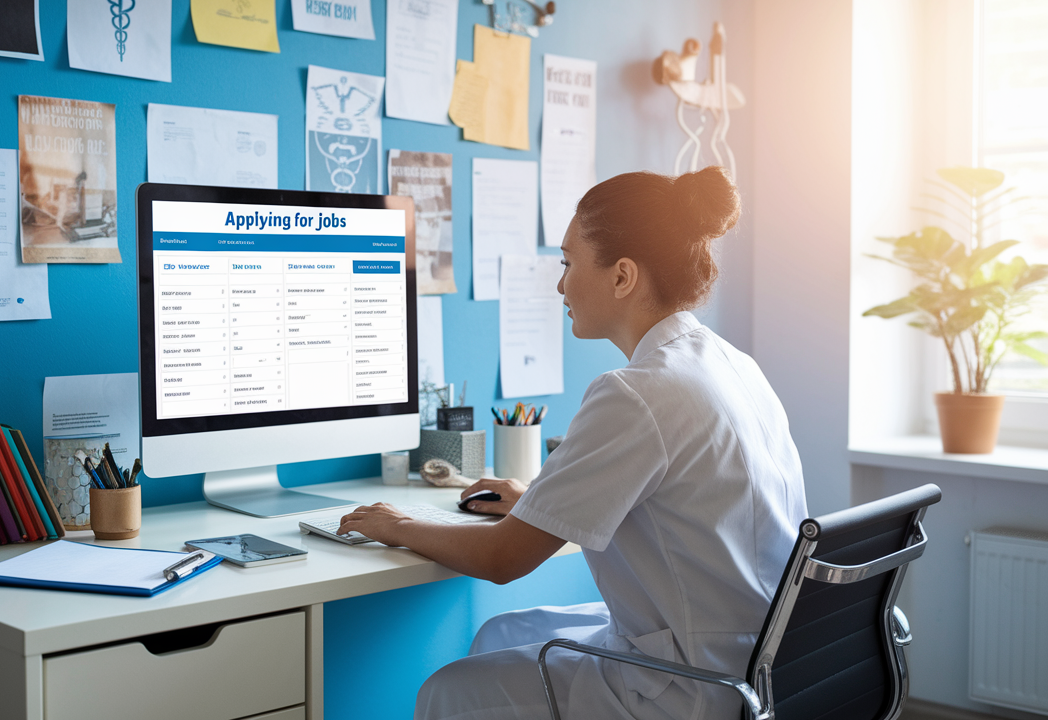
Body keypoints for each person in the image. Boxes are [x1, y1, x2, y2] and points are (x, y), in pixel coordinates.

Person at [336, 167, 808, 720]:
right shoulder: (729, 364)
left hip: (694, 686)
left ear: (623, 276)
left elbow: (502, 558)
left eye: (567, 263)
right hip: (765, 661)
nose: (560, 284)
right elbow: (681, 500)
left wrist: (396, 525)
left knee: (448, 690)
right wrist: (538, 502)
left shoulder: (637, 393)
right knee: (502, 631)